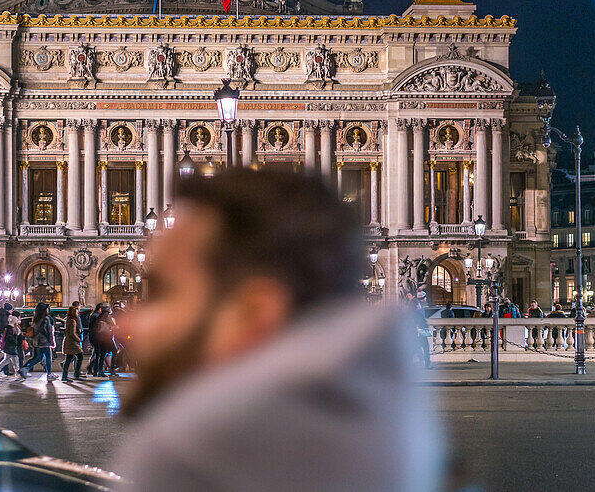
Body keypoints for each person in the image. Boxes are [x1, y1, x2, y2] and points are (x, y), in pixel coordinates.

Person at [113, 168, 443, 492]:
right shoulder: (390, 427)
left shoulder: (188, 453)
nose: (125, 324)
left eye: (163, 293)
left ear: (255, 312)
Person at [21, 302, 55, 380]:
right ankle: (49, 374)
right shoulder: (46, 319)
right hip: (44, 341)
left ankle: (26, 368)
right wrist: (51, 341)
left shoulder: (36, 318)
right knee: (48, 357)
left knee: (38, 357)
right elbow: (48, 331)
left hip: (37, 341)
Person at [61, 304, 85, 381]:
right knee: (80, 356)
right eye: (76, 312)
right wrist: (79, 339)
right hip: (73, 343)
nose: (78, 313)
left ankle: (65, 376)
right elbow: (72, 333)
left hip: (70, 342)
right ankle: (76, 374)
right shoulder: (73, 321)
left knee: (69, 358)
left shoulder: (69, 320)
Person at [86, 302, 104, 375]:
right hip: (96, 336)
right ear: (100, 309)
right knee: (98, 353)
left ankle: (92, 368)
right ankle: (95, 370)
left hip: (93, 336)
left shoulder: (94, 315)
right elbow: (97, 327)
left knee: (97, 353)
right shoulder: (96, 316)